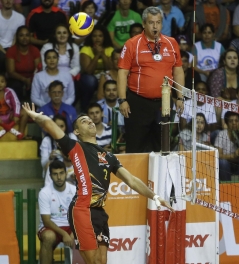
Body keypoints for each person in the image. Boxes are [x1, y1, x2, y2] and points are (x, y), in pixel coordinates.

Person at [22, 102, 173, 263]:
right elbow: (50, 125)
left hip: (100, 213)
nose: (90, 122)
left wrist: (155, 196)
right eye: (84, 121)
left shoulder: (109, 156)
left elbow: (131, 180)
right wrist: (37, 116)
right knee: (93, 261)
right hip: (82, 209)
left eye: (90, 120)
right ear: (77, 131)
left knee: (102, 261)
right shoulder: (75, 147)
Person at [117, 6, 185, 153]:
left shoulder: (172, 43)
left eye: (158, 22)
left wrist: (180, 97)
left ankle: (158, 177)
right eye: (151, 22)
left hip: (164, 103)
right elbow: (122, 73)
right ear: (143, 24)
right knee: (136, 146)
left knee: (162, 146)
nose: (155, 26)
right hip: (138, 103)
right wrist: (122, 99)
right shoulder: (132, 44)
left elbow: (178, 70)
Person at [37, 160, 76, 264]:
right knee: (49, 237)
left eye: (61, 173)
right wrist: (64, 233)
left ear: (66, 173)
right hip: (51, 227)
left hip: (71, 226)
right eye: (55, 174)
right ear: (50, 175)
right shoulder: (44, 193)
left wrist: (73, 231)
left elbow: (79, 216)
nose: (59, 177)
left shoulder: (74, 190)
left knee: (84, 235)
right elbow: (46, 221)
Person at [79, 24, 114, 112]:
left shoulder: (109, 49)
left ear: (104, 37)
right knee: (90, 80)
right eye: (94, 36)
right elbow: (88, 71)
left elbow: (111, 68)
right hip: (90, 77)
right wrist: (97, 55)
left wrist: (102, 54)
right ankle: (85, 108)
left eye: (100, 36)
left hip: (106, 76)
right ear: (91, 37)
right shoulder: (86, 49)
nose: (97, 38)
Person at [6, 25, 41, 101]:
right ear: (17, 37)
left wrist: (31, 80)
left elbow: (38, 69)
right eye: (21, 35)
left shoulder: (35, 50)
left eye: (27, 35)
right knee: (15, 85)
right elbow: (11, 72)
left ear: (30, 37)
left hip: (32, 78)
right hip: (16, 79)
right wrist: (25, 80)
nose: (24, 38)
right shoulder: (11, 51)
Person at [40, 114, 77, 185]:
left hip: (71, 166)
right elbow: (43, 164)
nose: (59, 129)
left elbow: (77, 155)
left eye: (62, 126)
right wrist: (50, 158)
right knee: (49, 164)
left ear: (66, 127)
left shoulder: (71, 136)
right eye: (56, 126)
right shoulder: (47, 140)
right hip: (54, 167)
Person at [0, 0, 25, 73]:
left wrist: (10, 51)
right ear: (1, 0)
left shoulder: (20, 18)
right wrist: (5, 53)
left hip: (14, 47)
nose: (8, 1)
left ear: (14, 0)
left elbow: (17, 37)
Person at [0, 73, 24, 139]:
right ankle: (11, 130)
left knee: (25, 112)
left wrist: (16, 115)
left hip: (9, 115)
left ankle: (21, 134)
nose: (0, 84)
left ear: (5, 83)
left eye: (2, 81)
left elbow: (16, 103)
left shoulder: (9, 91)